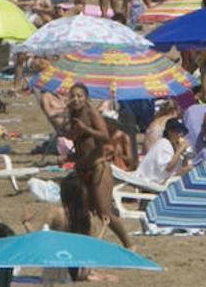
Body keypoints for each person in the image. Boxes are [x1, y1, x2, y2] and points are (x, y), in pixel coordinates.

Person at [66, 84, 132, 249]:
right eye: (72, 96)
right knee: (82, 212)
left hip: (98, 168)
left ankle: (129, 245)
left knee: (105, 212)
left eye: (79, 96)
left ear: (86, 98)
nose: (76, 99)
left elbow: (104, 136)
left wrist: (86, 129)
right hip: (81, 169)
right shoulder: (73, 115)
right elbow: (82, 147)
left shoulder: (91, 113)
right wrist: (68, 156)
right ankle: (86, 245)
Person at [135, 118, 192, 185]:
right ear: (169, 132)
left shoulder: (173, 146)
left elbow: (182, 167)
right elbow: (168, 168)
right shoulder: (164, 144)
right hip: (151, 182)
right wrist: (179, 150)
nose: (180, 134)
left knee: (189, 169)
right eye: (178, 131)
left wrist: (185, 155)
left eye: (182, 132)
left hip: (164, 180)